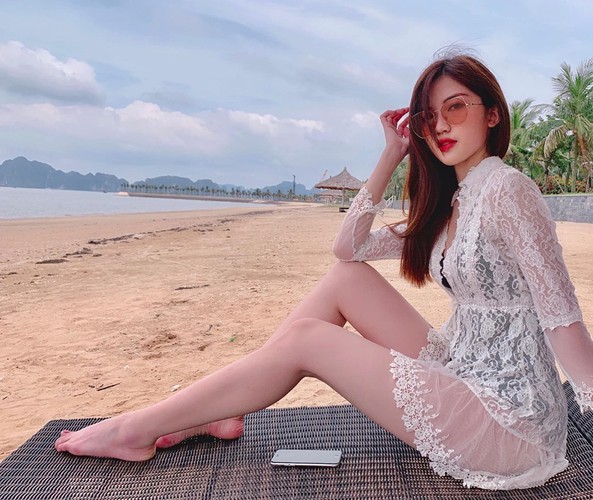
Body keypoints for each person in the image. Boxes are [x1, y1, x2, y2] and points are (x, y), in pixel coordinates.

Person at [54, 52, 593, 490]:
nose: (441, 126)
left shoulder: (507, 189)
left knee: (308, 340)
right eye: (429, 117)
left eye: (456, 107)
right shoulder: (456, 201)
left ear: (493, 113)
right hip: (463, 368)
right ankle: (217, 410)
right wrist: (392, 154)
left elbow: (561, 316)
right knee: (345, 281)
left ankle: (136, 430)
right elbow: (347, 249)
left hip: (509, 420)